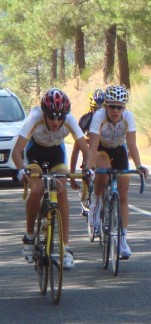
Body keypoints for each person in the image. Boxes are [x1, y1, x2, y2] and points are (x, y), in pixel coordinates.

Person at [13, 88, 89, 269]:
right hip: (35, 152)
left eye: (59, 118)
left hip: (56, 152)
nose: (56, 122)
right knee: (38, 188)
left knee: (61, 190)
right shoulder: (35, 117)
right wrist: (22, 170)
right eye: (51, 117)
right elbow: (17, 150)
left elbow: (86, 150)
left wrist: (89, 169)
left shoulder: (69, 119)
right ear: (44, 113)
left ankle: (65, 247)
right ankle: (29, 235)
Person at [85, 85, 149, 259]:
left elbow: (132, 145)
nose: (115, 110)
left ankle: (122, 241)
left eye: (119, 107)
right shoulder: (98, 117)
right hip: (101, 149)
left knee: (123, 195)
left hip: (119, 149)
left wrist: (139, 165)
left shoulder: (128, 117)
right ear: (105, 106)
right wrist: (90, 169)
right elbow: (92, 147)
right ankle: (96, 205)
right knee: (103, 171)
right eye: (112, 106)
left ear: (124, 108)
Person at [70, 89, 105, 192]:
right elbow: (76, 148)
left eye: (101, 109)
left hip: (104, 148)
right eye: (95, 109)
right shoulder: (86, 119)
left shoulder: (110, 118)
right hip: (90, 148)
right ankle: (87, 182)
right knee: (85, 145)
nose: (98, 112)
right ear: (91, 108)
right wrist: (72, 176)